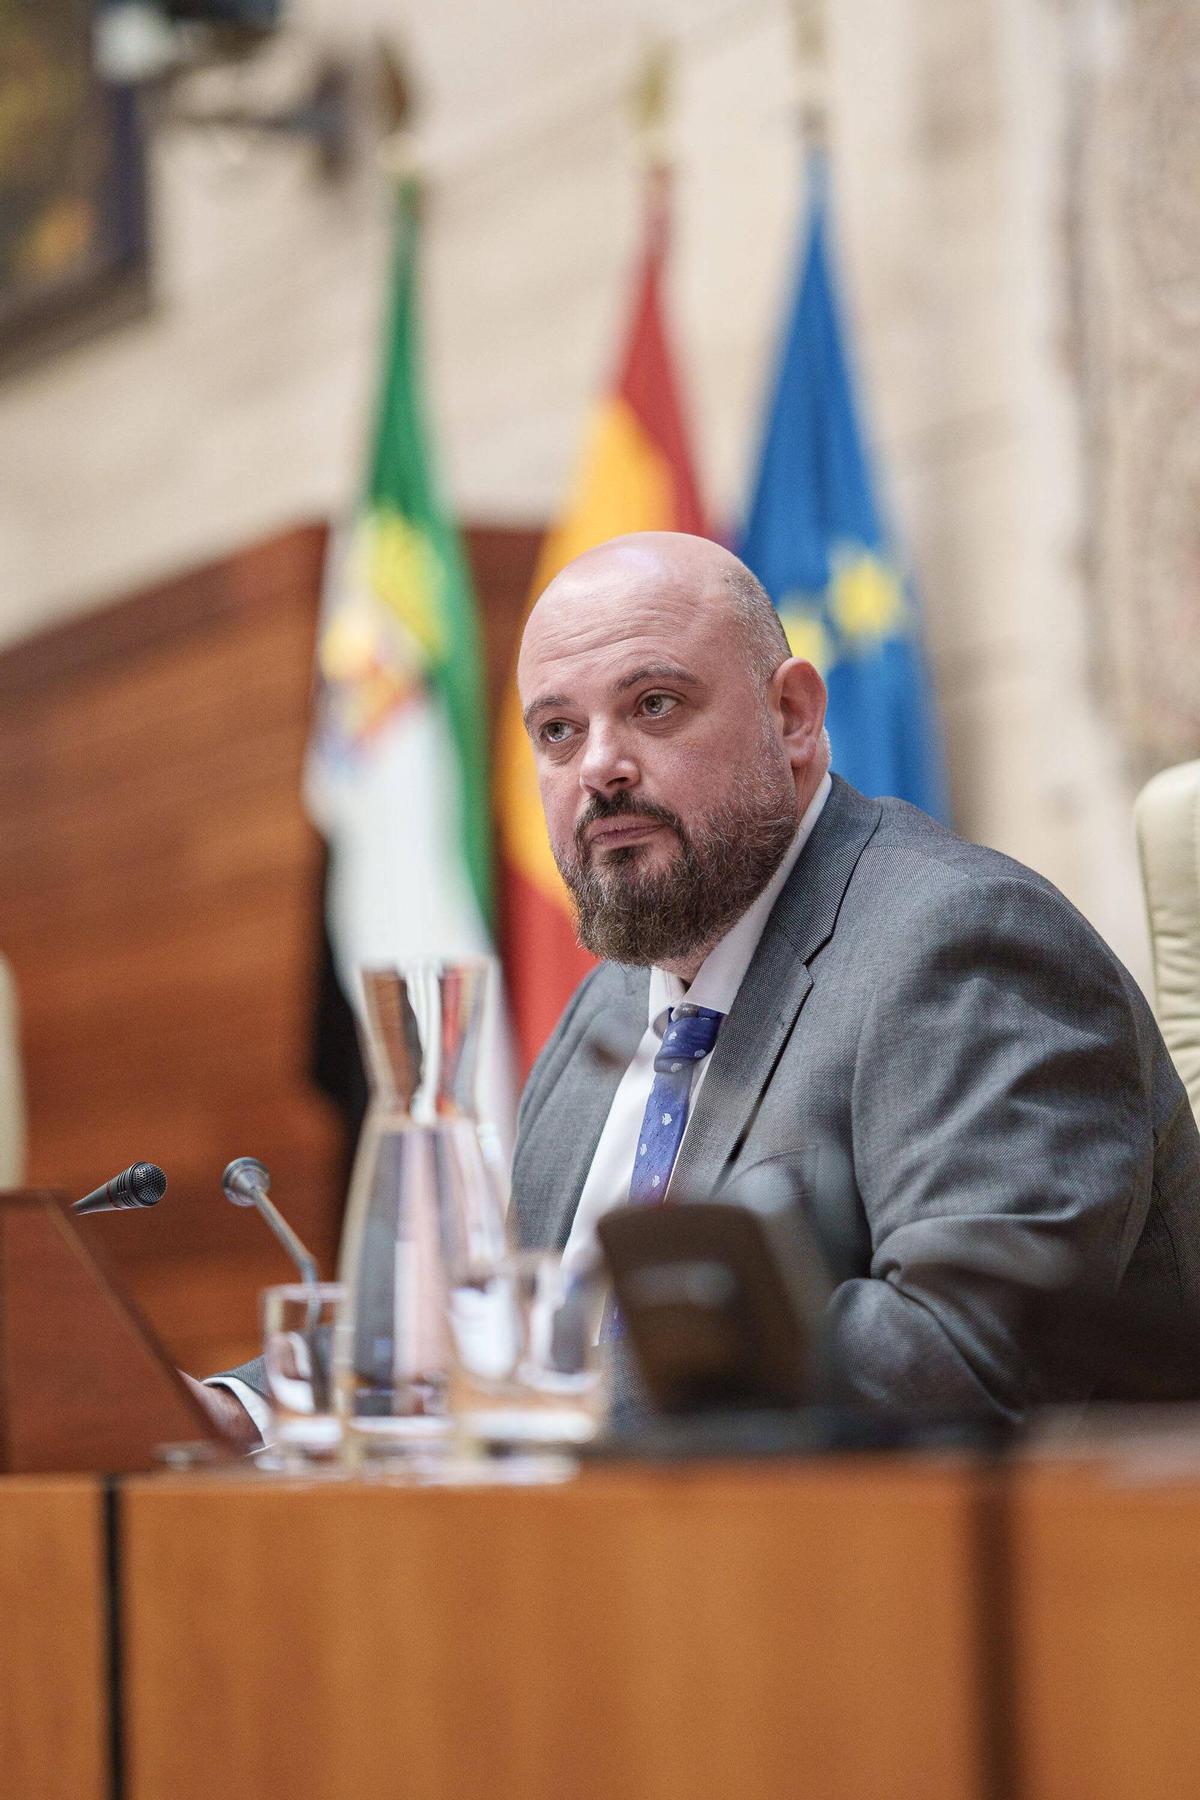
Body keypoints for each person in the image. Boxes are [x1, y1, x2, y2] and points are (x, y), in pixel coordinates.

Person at [200, 528, 1200, 1440]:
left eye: (654, 705)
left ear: (794, 717)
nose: (599, 767)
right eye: (556, 730)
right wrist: (241, 1406)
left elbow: (958, 1352)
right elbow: (495, 1321)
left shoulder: (958, 942)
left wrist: (551, 1395)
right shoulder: (612, 1001)